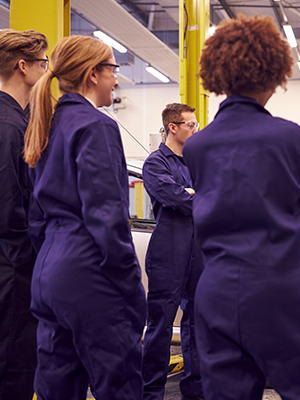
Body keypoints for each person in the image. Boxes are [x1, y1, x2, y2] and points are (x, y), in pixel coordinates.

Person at [183, 15, 300, 400]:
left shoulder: (196, 146)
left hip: (215, 292)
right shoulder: (288, 138)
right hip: (279, 291)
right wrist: (295, 203)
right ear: (273, 74)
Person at [24, 35, 146, 400]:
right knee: (119, 383)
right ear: (93, 74)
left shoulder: (45, 123)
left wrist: (53, 259)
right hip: (89, 271)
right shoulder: (96, 125)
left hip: (49, 272)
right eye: (113, 70)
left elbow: (35, 216)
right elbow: (106, 214)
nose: (117, 79)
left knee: (55, 386)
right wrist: (128, 282)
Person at [142, 103, 203, 400]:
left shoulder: (197, 163)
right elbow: (179, 199)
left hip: (199, 250)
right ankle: (151, 391)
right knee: (161, 324)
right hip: (169, 250)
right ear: (173, 128)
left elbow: (213, 196)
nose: (196, 129)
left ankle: (195, 390)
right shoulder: (156, 163)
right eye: (191, 125)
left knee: (198, 322)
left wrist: (193, 194)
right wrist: (191, 195)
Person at [0, 28, 48, 400]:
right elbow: (9, 207)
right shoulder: (9, 126)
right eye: (44, 63)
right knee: (15, 365)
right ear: (23, 66)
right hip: (12, 268)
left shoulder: (17, 120)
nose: (47, 71)